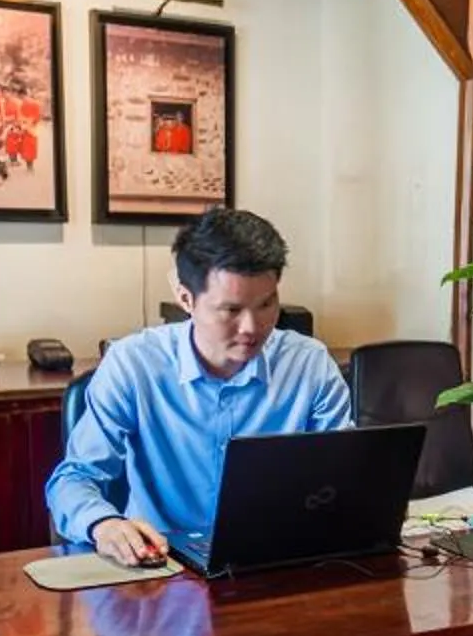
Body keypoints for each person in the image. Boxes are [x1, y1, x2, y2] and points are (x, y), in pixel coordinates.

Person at [45, 208, 352, 566]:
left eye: (266, 304)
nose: (252, 327)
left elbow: (345, 475)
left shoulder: (309, 364)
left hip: (277, 560)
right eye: (231, 310)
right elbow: (73, 479)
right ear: (185, 298)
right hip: (162, 563)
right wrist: (105, 524)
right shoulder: (134, 364)